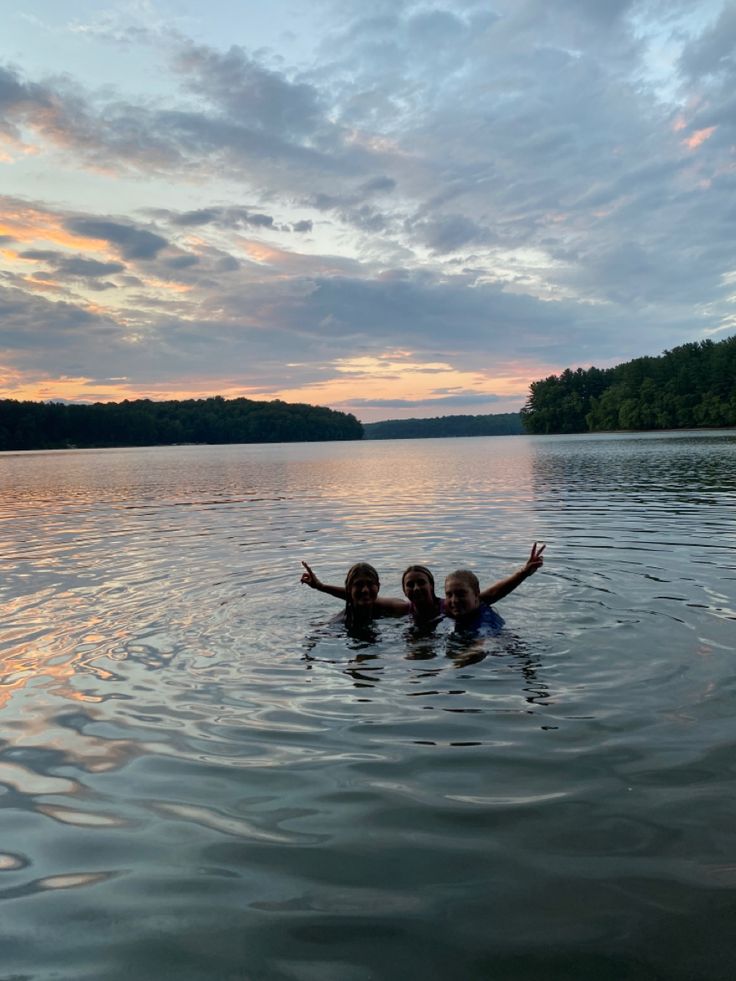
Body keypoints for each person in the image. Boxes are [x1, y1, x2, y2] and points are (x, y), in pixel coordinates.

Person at [300, 543, 545, 625]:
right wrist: (321, 587)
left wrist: (523, 572)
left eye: (421, 583)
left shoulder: (447, 607)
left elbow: (489, 595)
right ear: (405, 590)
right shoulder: (402, 608)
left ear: (431, 586)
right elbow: (359, 597)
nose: (416, 588)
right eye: (410, 585)